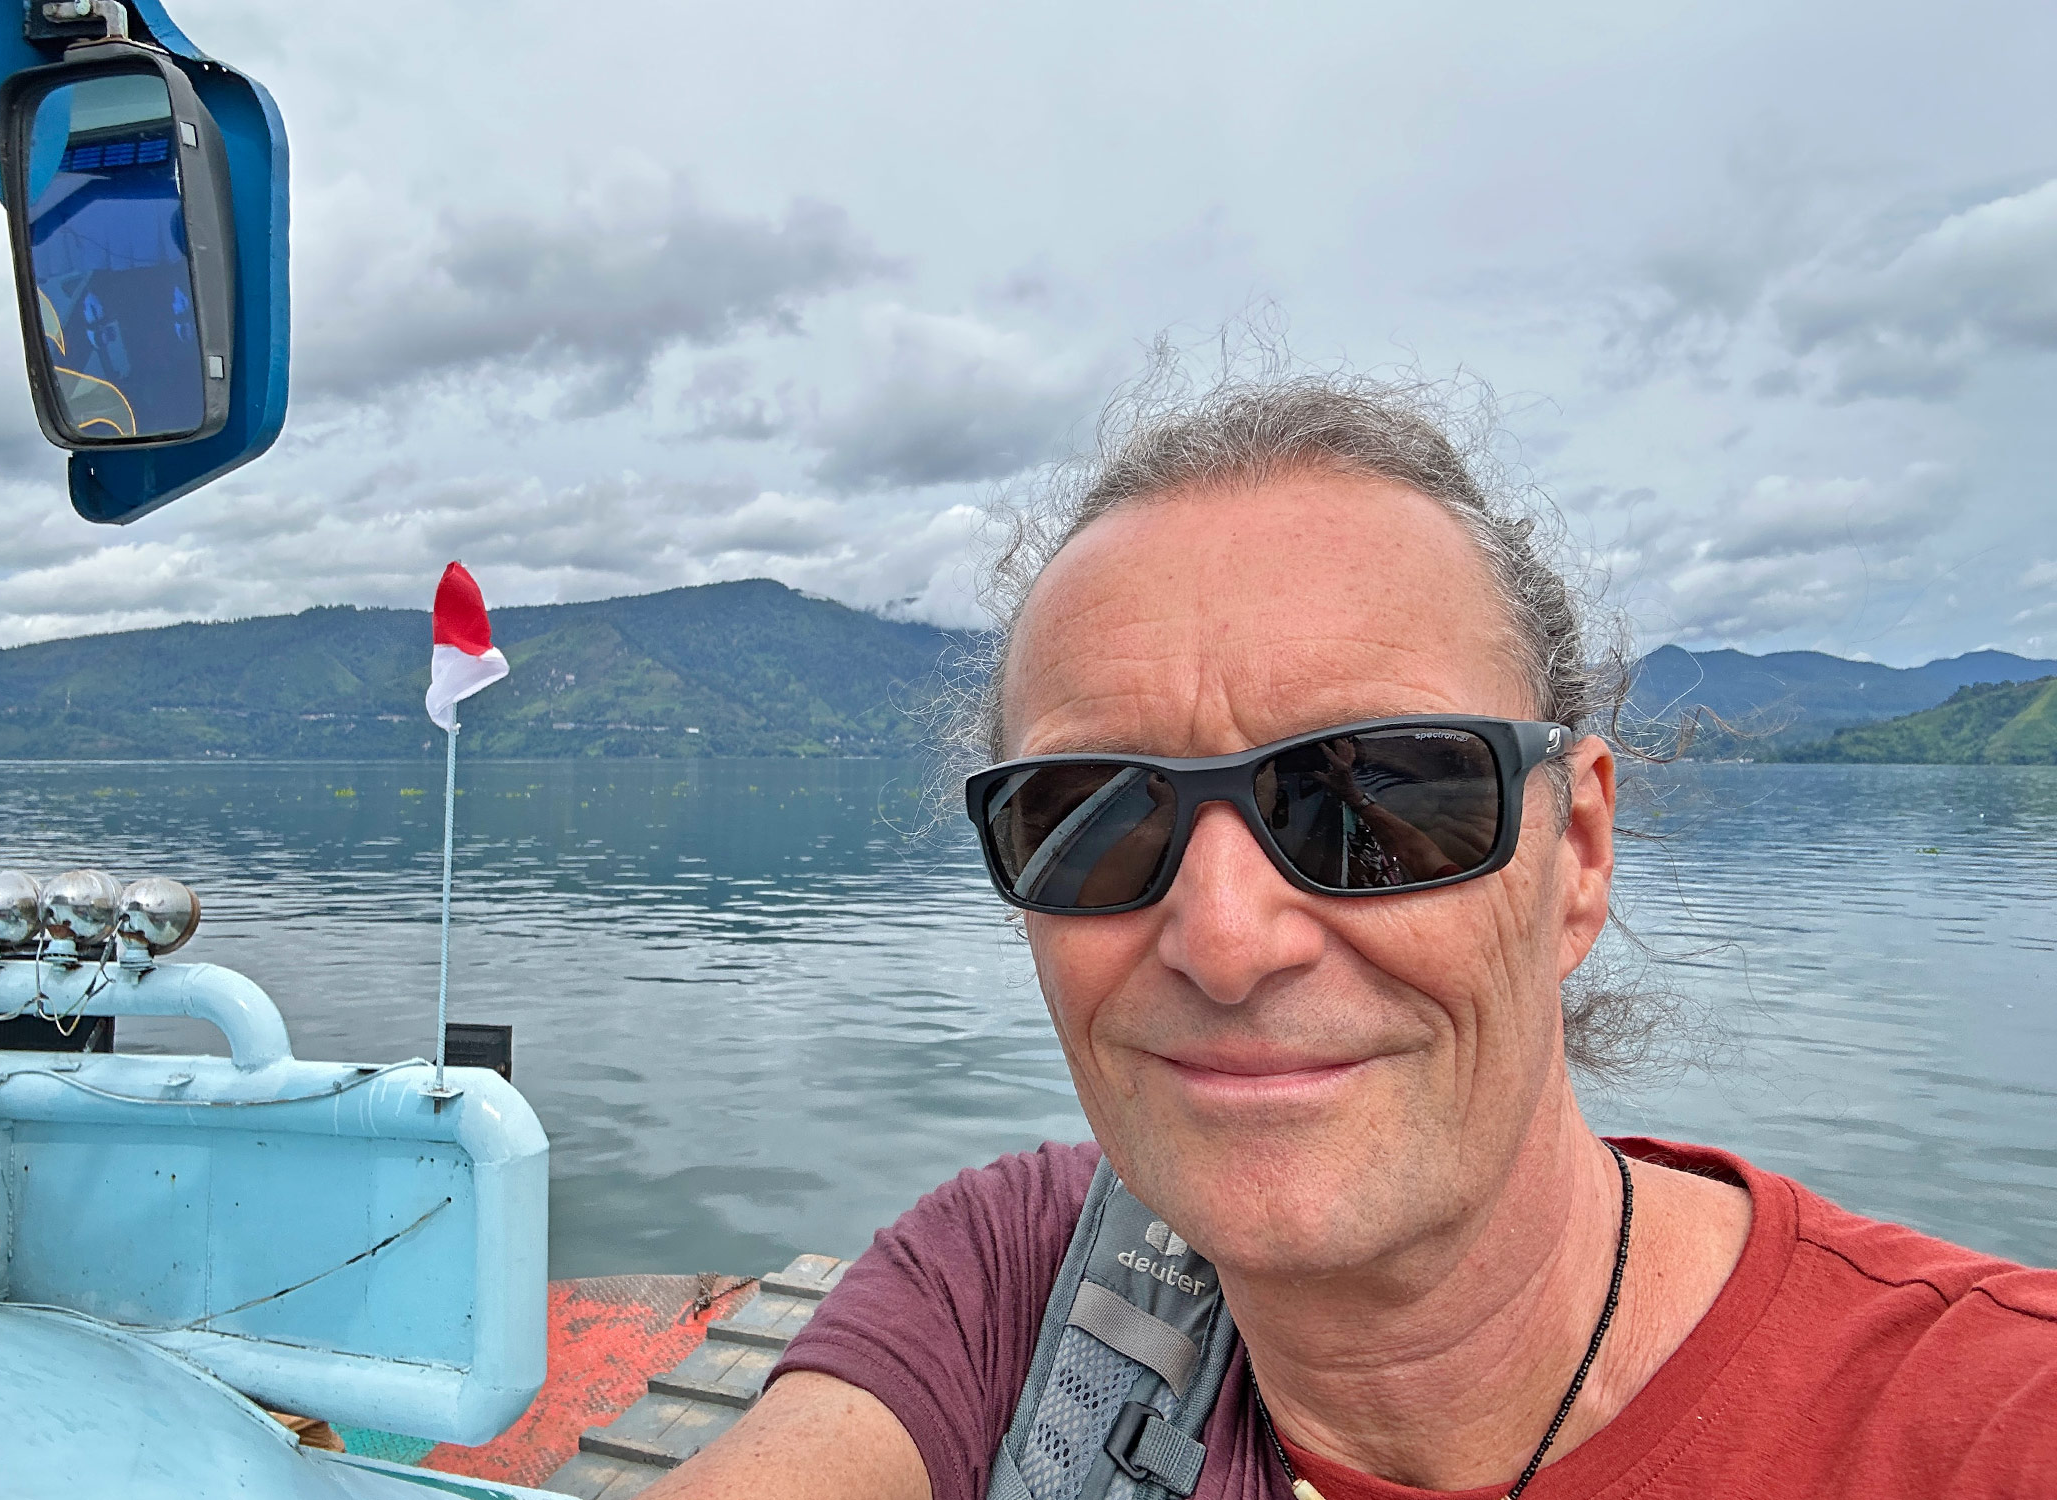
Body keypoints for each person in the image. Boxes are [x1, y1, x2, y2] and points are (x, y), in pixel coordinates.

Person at [644, 374, 2057, 1499]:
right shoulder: (1020, 1283)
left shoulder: (1983, 1424)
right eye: (1092, 813)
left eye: (1370, 800)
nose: (1226, 938)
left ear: (1575, 854)